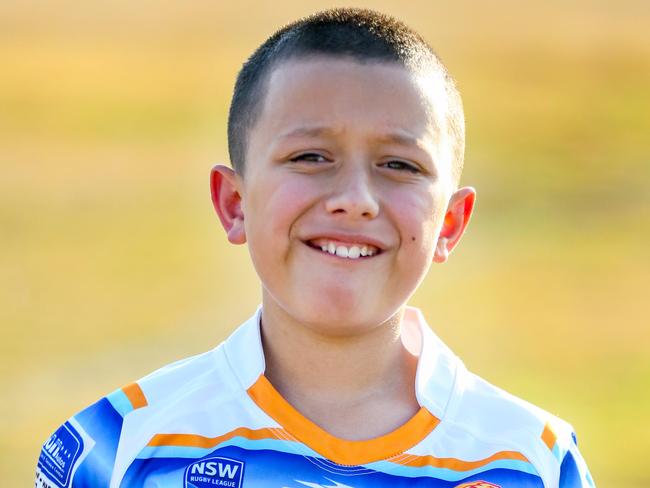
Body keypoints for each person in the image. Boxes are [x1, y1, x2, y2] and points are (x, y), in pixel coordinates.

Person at [36, 8, 594, 488]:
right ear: (235, 203)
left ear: (450, 221)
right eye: (310, 157)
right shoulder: (119, 448)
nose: (355, 200)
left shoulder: (530, 461)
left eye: (398, 165)